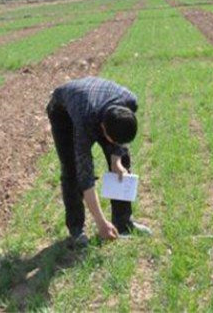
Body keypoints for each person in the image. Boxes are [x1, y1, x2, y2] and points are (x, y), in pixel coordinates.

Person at [46, 77, 151, 247]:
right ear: (103, 130)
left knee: (123, 161)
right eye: (112, 140)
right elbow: (85, 176)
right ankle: (76, 230)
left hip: (97, 103)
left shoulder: (130, 102)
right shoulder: (84, 122)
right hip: (63, 112)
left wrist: (116, 161)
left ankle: (123, 223)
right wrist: (100, 222)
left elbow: (120, 143)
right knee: (72, 169)